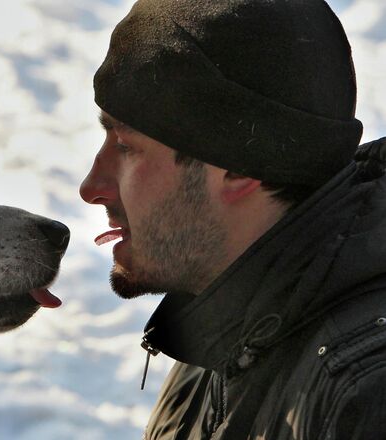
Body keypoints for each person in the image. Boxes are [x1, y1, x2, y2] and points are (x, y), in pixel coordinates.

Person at [80, 0, 386, 438]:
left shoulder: (367, 396)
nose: (92, 186)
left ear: (239, 168)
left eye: (126, 147)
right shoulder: (223, 318)